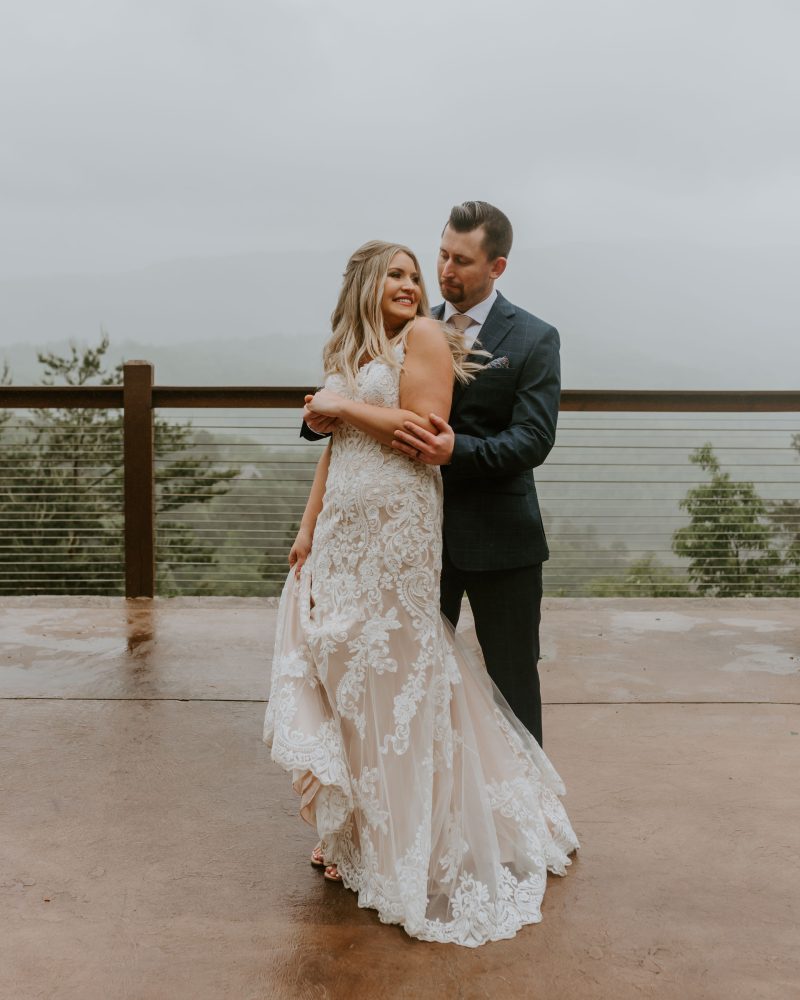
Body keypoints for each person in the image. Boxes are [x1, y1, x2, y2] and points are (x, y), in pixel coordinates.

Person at [264, 239, 577, 947]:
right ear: (366, 284)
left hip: (401, 532)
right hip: (344, 530)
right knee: (347, 678)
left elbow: (420, 427)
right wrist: (308, 527)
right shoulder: (354, 348)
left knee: (400, 678)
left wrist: (339, 404)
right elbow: (335, 445)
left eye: (421, 271)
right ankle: (356, 824)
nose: (419, 280)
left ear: (496, 264)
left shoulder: (429, 335)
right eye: (402, 272)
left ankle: (423, 832)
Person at [390, 201, 559, 748]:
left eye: (461, 260)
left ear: (497, 266)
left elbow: (534, 438)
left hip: (501, 541)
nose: (445, 270)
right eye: (442, 255)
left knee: (512, 683)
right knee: (412, 675)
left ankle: (532, 800)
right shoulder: (409, 326)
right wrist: (319, 420)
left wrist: (455, 450)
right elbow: (365, 391)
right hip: (417, 536)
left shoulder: (534, 337)